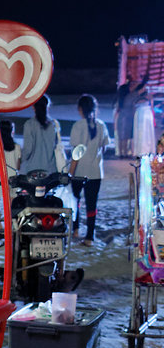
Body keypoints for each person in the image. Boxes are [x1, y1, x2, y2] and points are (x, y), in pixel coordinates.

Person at [69, 94, 111, 246]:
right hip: (95, 172)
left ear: (80, 109)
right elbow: (104, 148)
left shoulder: (77, 126)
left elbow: (76, 153)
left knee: (75, 201)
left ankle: (75, 229)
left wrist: (70, 173)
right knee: (92, 204)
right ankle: (89, 237)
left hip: (79, 171)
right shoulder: (101, 125)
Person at [0, 120, 22, 220]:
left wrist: (3, 176)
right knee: (12, 205)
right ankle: (11, 225)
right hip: (14, 178)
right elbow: (18, 166)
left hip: (0, 178)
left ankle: (0, 225)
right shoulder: (17, 147)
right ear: (12, 131)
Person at [21, 94, 61, 174]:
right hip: (50, 169)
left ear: (33, 107)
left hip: (33, 169)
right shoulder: (54, 124)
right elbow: (57, 146)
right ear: (48, 107)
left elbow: (28, 149)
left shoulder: (29, 124)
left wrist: (20, 159)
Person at [131, 78, 155, 157]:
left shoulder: (149, 96)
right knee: (140, 131)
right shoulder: (136, 95)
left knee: (147, 132)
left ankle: (147, 150)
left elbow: (151, 105)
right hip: (140, 114)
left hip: (147, 114)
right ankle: (141, 150)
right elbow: (134, 103)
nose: (146, 89)